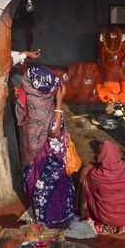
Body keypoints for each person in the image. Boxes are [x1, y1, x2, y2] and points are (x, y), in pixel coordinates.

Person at [16, 66, 76, 228]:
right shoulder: (38, 104)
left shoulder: (35, 92)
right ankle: (53, 219)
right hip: (45, 155)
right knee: (49, 185)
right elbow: (54, 131)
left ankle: (51, 214)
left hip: (39, 150)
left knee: (46, 185)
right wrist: (59, 102)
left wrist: (67, 130)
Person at [79, 140, 125, 234]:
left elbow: (85, 176)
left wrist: (90, 164)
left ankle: (85, 215)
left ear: (99, 156)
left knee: (85, 183)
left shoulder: (94, 175)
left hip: (107, 219)